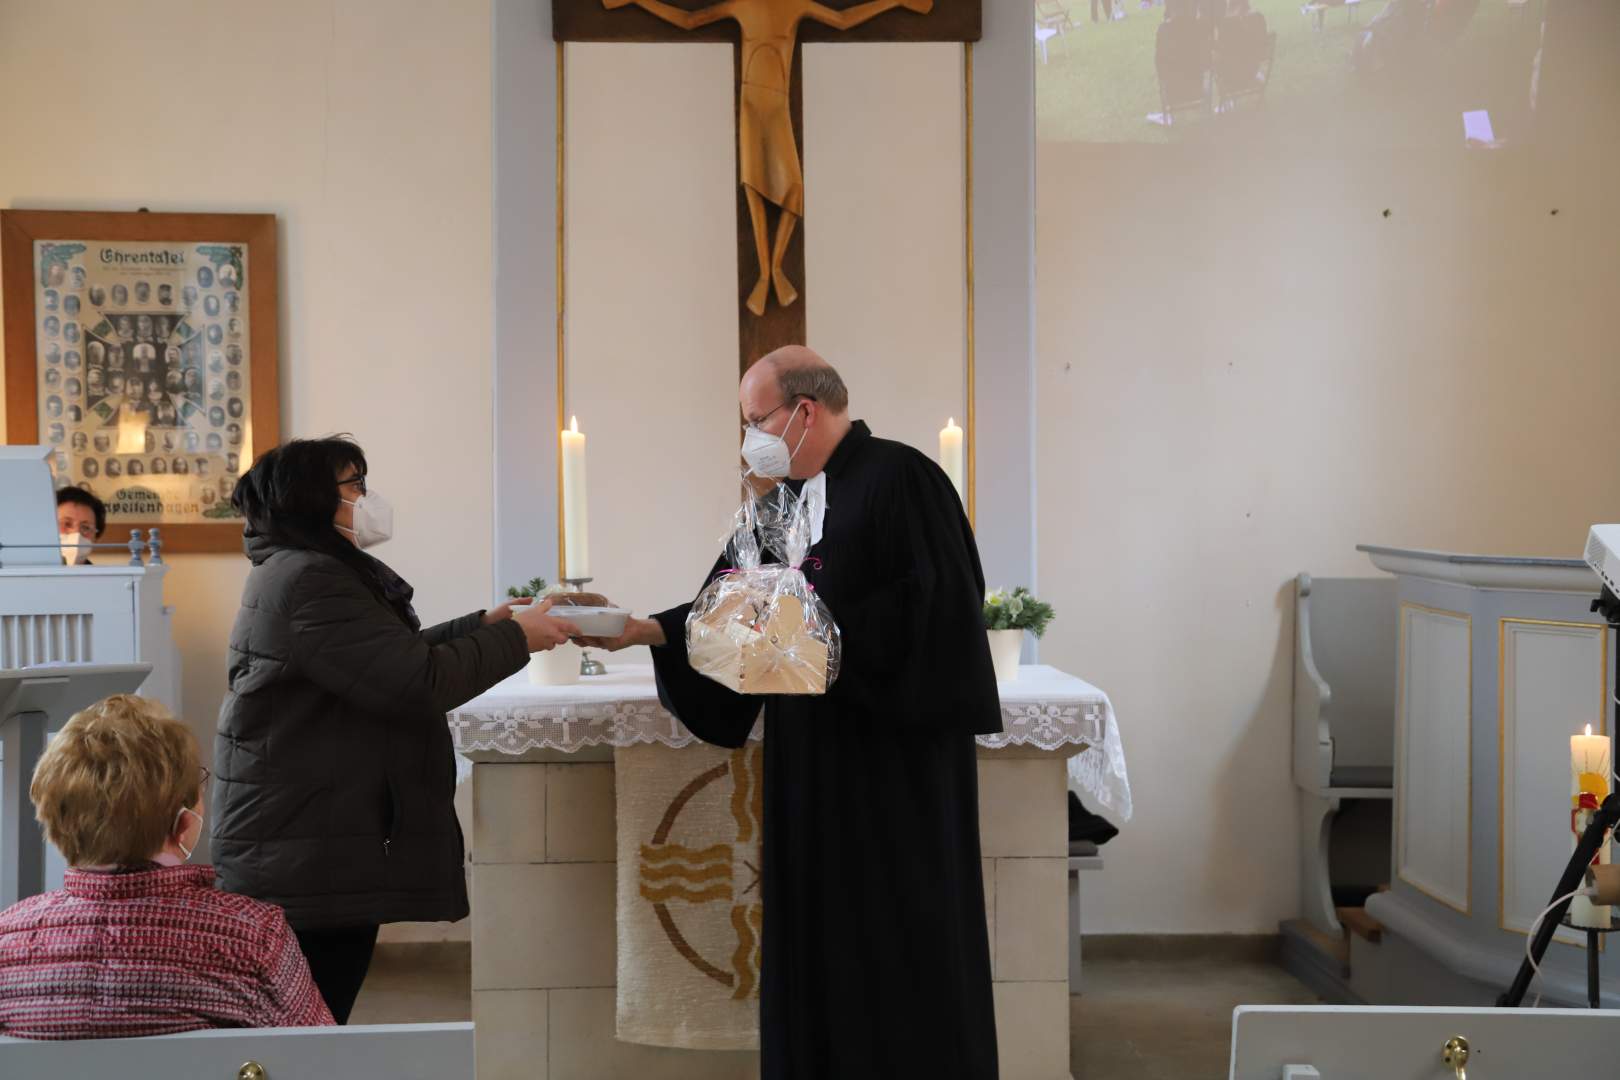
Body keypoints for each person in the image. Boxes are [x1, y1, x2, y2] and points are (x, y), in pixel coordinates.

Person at [584, 347, 1000, 1079]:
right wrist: (644, 628)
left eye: (755, 420)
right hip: (812, 766)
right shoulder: (782, 504)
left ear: (804, 410)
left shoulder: (903, 481)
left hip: (892, 770)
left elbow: (932, 617)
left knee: (899, 953)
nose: (751, 438)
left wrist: (812, 641)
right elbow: (728, 610)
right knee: (817, 949)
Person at [213, 436, 583, 1024]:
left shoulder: (300, 569)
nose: (366, 498)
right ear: (313, 499)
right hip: (305, 841)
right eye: (354, 485)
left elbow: (384, 658)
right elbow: (417, 680)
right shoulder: (310, 578)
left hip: (308, 831)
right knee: (308, 1023)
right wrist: (518, 640)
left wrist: (488, 623)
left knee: (313, 1017)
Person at [0, 695, 334, 1038]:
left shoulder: (7, 940)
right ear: (183, 821)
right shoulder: (254, 936)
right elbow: (325, 1059)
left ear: (56, 820)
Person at [57, 486, 105, 564]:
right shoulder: (31, 572)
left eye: (86, 527)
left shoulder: (104, 576)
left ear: (96, 537)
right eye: (67, 524)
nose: (76, 533)